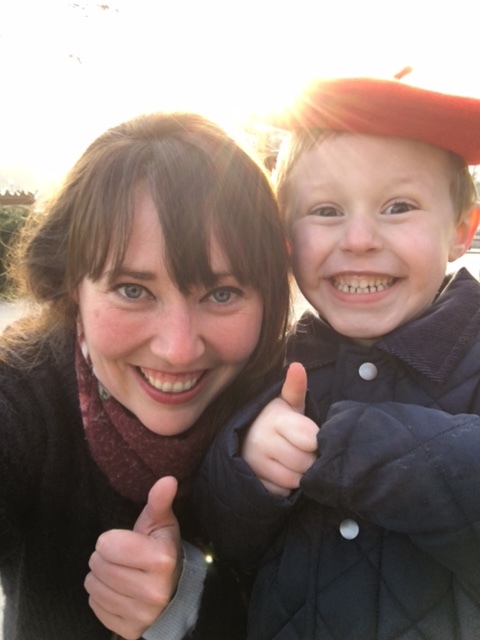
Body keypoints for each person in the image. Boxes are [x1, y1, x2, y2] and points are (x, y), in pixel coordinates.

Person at [194, 76, 480, 639]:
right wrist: (247, 470)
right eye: (325, 210)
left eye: (398, 206)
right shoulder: (268, 364)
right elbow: (216, 542)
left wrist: (349, 444)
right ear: (284, 237)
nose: (358, 239)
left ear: (461, 230)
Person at [0, 110, 291, 640]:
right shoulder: (21, 397)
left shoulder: (298, 410)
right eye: (133, 290)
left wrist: (188, 600)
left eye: (221, 294)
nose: (178, 349)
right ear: (71, 284)